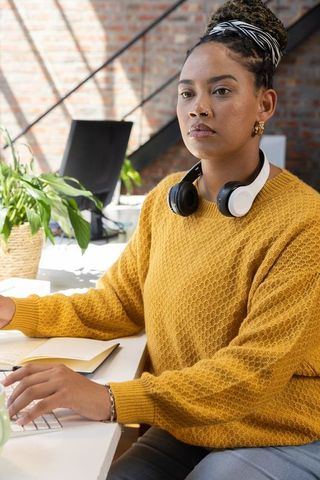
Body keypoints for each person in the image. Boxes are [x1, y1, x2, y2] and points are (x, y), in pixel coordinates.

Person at [1, 0, 320, 478]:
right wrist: (14, 311)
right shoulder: (166, 200)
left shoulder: (304, 222)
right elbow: (117, 305)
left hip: (277, 431)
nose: (200, 107)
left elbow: (253, 373)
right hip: (187, 424)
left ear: (265, 105)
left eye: (222, 90)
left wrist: (109, 399)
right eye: (186, 93)